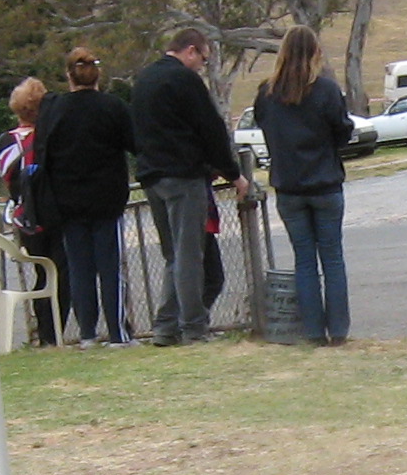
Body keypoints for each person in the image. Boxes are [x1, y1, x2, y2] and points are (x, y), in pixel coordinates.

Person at [130, 28, 247, 345]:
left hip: (152, 177)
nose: (201, 67)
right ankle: (194, 327)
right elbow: (211, 129)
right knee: (190, 254)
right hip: (183, 176)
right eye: (203, 60)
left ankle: (165, 326)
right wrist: (233, 173)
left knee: (173, 255)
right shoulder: (184, 80)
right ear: (191, 50)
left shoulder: (144, 79)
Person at [251, 25, 354, 344]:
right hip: (325, 184)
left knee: (304, 260)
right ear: (314, 53)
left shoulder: (267, 94)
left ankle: (312, 332)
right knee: (332, 258)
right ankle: (338, 330)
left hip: (289, 187)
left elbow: (264, 126)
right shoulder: (325, 90)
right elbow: (342, 131)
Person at [28, 47, 138, 346]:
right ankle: (117, 332)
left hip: (67, 201)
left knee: (79, 270)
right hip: (107, 199)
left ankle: (87, 332)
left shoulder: (54, 111)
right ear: (98, 75)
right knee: (110, 269)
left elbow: (44, 155)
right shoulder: (113, 107)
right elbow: (135, 143)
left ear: (69, 75)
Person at [0, 76, 58, 346]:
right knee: (59, 272)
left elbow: (6, 177)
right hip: (51, 213)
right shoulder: (47, 137)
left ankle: (43, 330)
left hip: (24, 216)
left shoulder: (6, 140)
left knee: (41, 271)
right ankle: (52, 330)